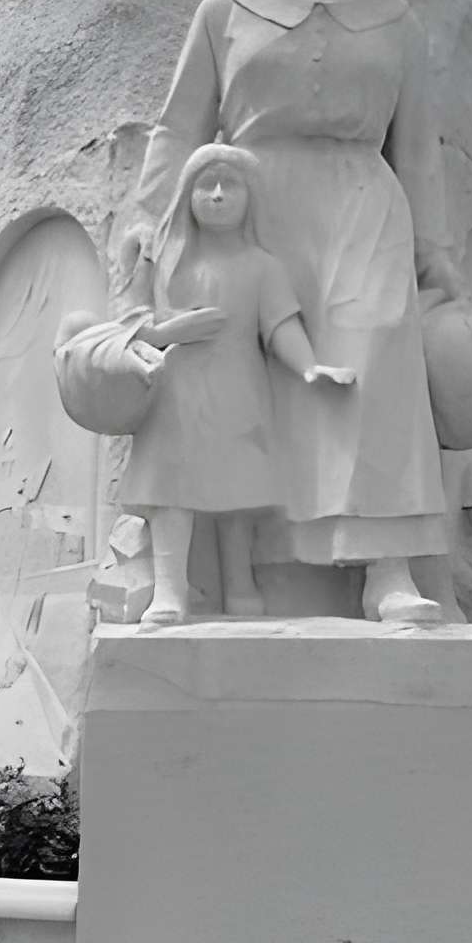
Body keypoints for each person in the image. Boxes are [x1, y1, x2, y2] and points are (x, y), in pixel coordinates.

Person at [126, 0, 461, 625]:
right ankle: (234, 567)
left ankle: (387, 566)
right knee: (241, 382)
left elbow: (416, 145)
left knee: (374, 358)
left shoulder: (395, 19)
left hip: (361, 201)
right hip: (252, 201)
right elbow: (180, 126)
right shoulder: (228, 7)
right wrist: (149, 222)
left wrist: (436, 247)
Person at [121, 143, 356, 626]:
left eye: (230, 186)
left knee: (237, 494)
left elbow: (280, 326)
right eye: (206, 185)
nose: (218, 195)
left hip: (240, 390)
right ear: (187, 194)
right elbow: (129, 319)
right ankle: (170, 589)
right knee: (171, 492)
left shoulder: (261, 266)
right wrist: (167, 333)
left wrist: (311, 367)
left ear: (251, 199)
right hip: (176, 393)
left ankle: (240, 584)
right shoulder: (167, 261)